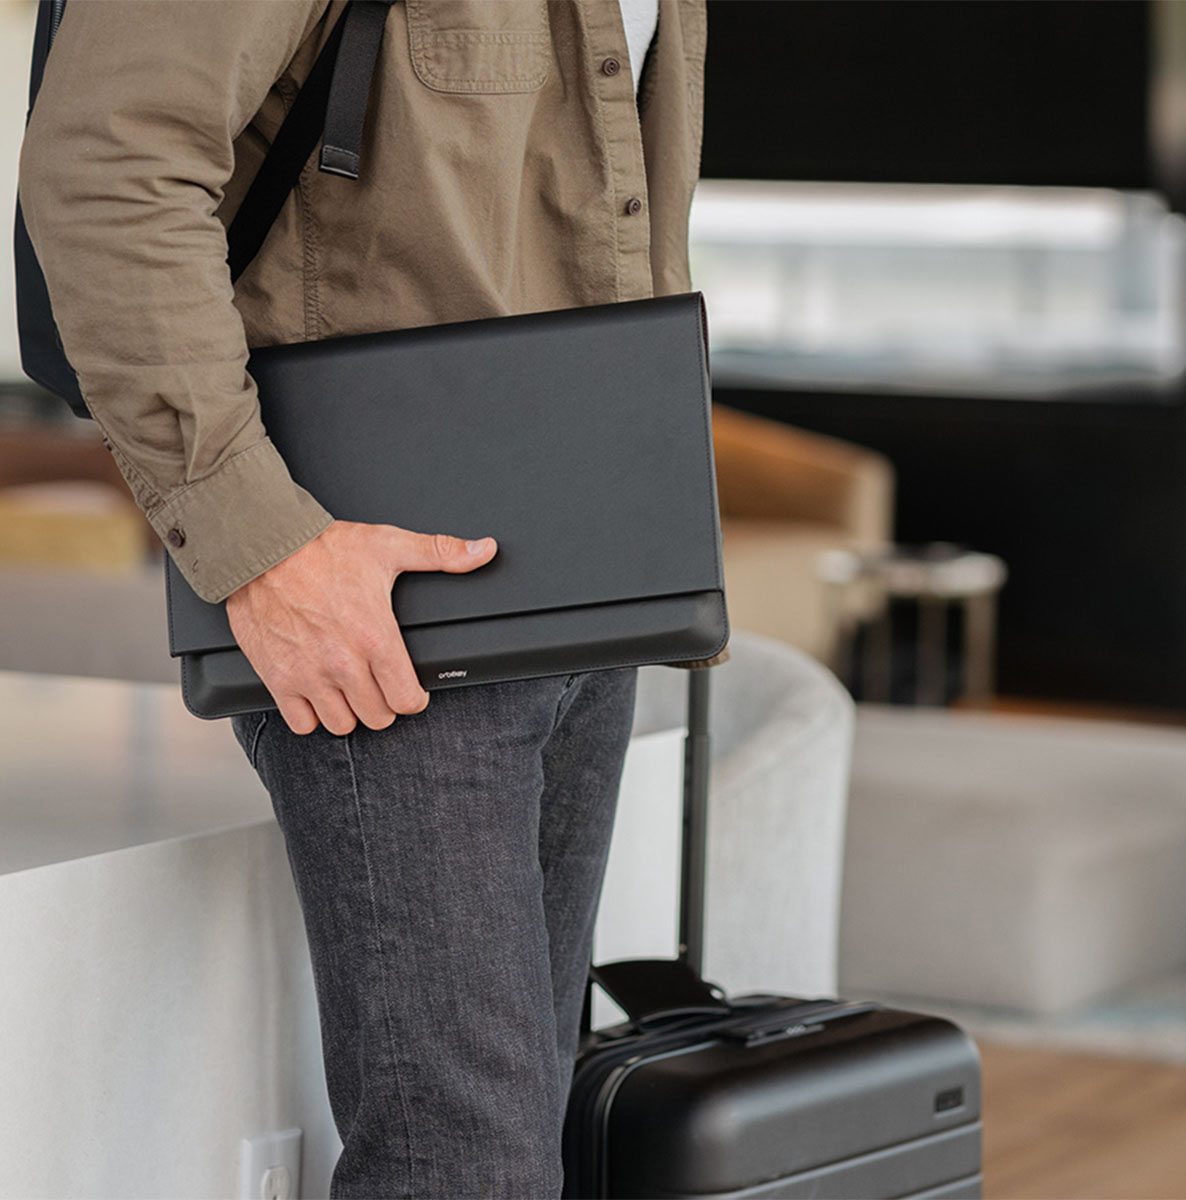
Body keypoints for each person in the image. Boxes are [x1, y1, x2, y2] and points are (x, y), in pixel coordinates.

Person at [19, 1, 714, 1195]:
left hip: (582, 577)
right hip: (371, 601)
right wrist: (261, 549)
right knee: (468, 1161)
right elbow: (107, 169)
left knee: (523, 1132)